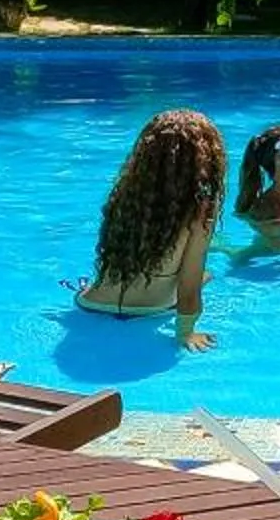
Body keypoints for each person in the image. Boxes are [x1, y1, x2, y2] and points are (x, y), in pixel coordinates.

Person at [75, 108, 224, 348]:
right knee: (205, 275)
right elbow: (189, 287)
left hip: (90, 303)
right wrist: (186, 332)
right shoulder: (201, 208)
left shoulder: (125, 194)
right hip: (149, 310)